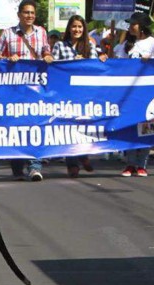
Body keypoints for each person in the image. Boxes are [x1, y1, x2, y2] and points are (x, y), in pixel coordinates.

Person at [0, 0, 53, 182]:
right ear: (19, 14)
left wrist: (48, 56)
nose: (29, 16)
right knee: (15, 126)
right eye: (26, 12)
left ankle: (35, 166)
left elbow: (46, 51)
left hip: (35, 89)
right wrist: (6, 58)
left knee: (36, 124)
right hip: (14, 89)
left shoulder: (41, 32)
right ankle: (18, 168)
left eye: (32, 13)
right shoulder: (8, 33)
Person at [51, 15, 106, 178]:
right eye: (74, 26)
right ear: (69, 28)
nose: (77, 30)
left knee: (84, 126)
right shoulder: (60, 45)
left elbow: (95, 67)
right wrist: (70, 63)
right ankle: (73, 163)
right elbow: (53, 67)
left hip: (84, 94)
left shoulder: (89, 45)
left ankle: (83, 154)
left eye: (80, 27)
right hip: (65, 93)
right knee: (68, 127)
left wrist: (102, 59)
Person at [119, 12, 154, 178]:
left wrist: (150, 59)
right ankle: (130, 163)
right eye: (130, 24)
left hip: (147, 91)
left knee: (146, 127)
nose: (130, 27)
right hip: (129, 91)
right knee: (130, 126)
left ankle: (142, 164)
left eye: (134, 24)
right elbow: (117, 63)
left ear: (142, 26)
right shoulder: (126, 44)